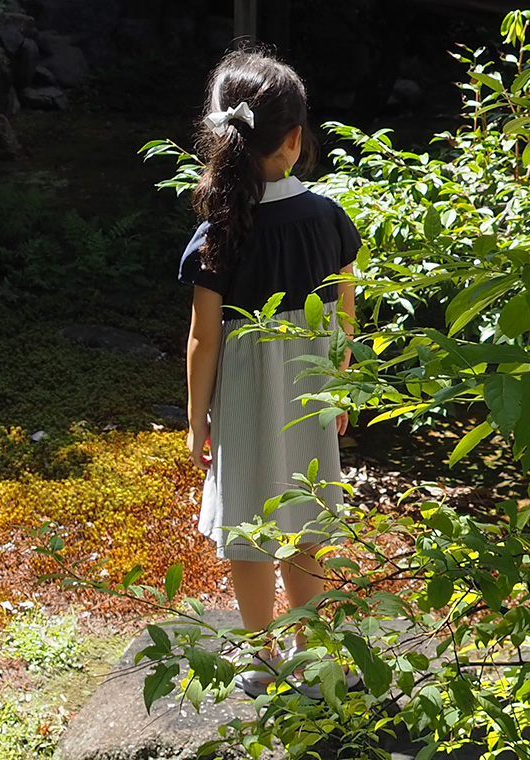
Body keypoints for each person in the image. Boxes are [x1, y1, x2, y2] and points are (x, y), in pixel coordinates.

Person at [180, 44, 360, 695]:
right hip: (310, 391)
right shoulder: (329, 219)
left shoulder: (220, 231)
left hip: (246, 401)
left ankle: (261, 659)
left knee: (249, 534)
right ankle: (314, 657)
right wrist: (342, 390)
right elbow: (345, 317)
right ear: (294, 138)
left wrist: (196, 420)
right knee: (305, 528)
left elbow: (204, 339)